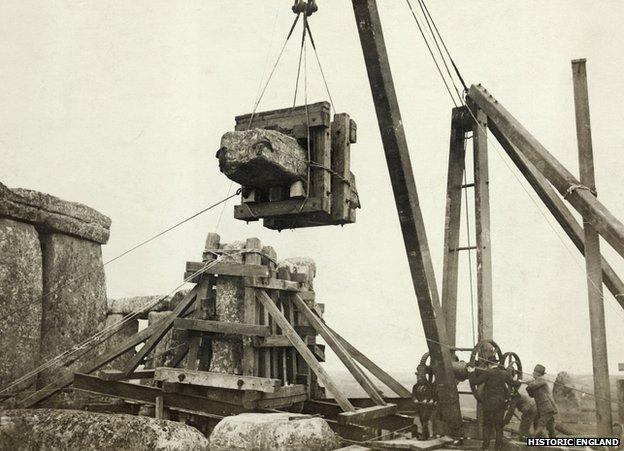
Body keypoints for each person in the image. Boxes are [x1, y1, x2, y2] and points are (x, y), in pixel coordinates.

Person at [468, 361, 520, 450]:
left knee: (487, 426)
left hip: (488, 404)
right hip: (500, 405)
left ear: (489, 365)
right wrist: (518, 380)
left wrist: (471, 372)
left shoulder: (487, 373)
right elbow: (513, 384)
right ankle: (498, 448)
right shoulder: (504, 373)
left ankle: (485, 448)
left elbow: (474, 382)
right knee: (499, 427)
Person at [526, 364, 558, 438]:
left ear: (537, 373)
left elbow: (532, 386)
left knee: (541, 423)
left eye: (534, 372)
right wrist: (528, 385)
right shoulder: (536, 381)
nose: (532, 373)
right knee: (550, 424)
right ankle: (553, 438)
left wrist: (529, 383)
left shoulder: (541, 379)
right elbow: (531, 394)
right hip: (544, 407)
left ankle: (535, 438)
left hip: (547, 407)